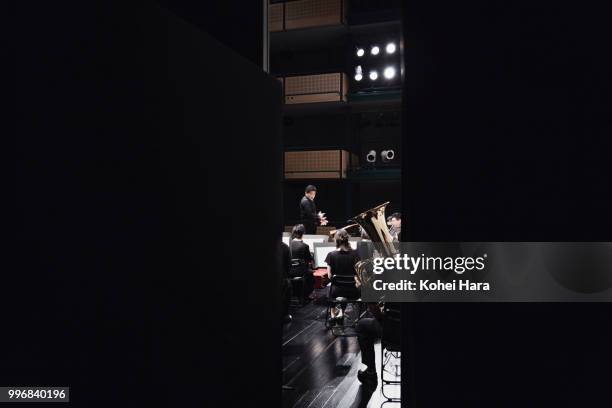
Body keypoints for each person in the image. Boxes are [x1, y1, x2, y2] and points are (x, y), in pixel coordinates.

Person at [325, 229, 360, 324]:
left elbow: (329, 276)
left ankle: (332, 314)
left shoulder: (331, 255)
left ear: (336, 241)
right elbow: (358, 273)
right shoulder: (355, 254)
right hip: (352, 291)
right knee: (345, 290)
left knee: (332, 288)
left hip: (336, 291)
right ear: (347, 240)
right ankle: (341, 312)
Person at [289, 224, 315, 301]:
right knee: (310, 274)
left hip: (290, 270)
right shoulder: (305, 246)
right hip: (300, 271)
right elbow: (309, 260)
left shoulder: (289, 245)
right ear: (303, 233)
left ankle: (295, 293)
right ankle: (307, 295)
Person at [280, 241, 292, 324]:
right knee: (288, 286)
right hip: (281, 278)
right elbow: (288, 266)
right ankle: (285, 315)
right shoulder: (284, 247)